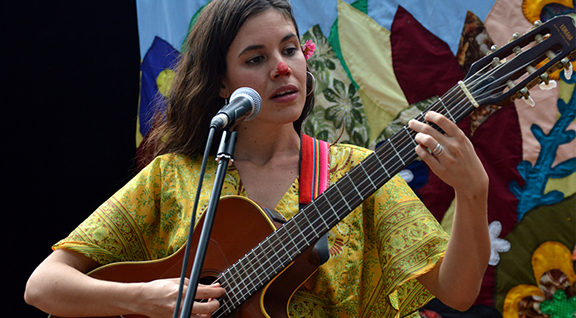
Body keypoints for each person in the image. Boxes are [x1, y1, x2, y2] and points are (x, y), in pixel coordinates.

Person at [25, 0, 491, 317]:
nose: (283, 67)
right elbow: (44, 286)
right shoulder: (173, 176)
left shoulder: (354, 171)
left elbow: (458, 291)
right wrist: (148, 298)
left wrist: (473, 193)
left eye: (290, 49)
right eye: (255, 58)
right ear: (222, 85)